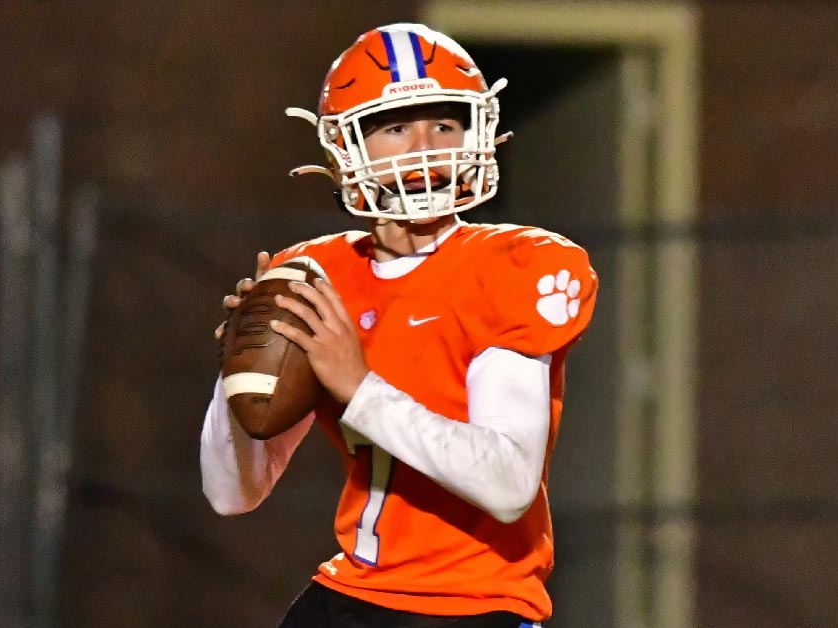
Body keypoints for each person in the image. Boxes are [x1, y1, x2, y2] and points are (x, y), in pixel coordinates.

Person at [200, 23, 597, 628]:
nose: (425, 145)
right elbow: (231, 494)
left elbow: (509, 482)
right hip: (354, 592)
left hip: (474, 606)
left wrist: (359, 389)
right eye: (396, 127)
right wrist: (239, 377)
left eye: (444, 123)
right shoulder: (317, 276)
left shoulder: (512, 268)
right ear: (346, 147)